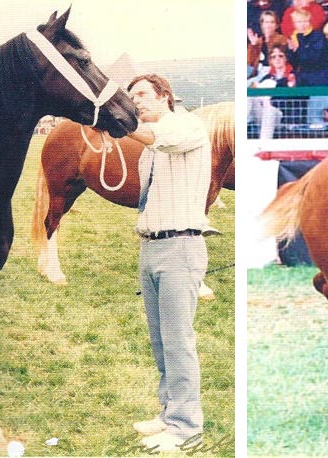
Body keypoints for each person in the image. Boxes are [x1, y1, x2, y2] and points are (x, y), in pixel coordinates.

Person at [124, 74, 212, 453]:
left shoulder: (187, 125)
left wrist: (123, 123)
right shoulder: (151, 144)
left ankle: (186, 427)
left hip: (180, 246)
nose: (137, 102)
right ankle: (169, 413)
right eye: (132, 97)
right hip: (152, 247)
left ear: (165, 96)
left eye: (142, 95)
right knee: (161, 342)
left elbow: (161, 139)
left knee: (178, 342)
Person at [248, 45, 295, 139]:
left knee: (270, 110)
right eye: (274, 57)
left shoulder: (292, 76)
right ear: (271, 61)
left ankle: (264, 145)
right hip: (262, 113)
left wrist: (270, 101)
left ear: (286, 58)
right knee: (249, 97)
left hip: (281, 117)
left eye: (280, 56)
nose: (277, 59)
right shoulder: (267, 77)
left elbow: (292, 100)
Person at [288, 8, 328, 86]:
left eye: (305, 21)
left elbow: (313, 58)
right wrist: (292, 52)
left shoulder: (318, 36)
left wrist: (299, 44)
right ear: (294, 24)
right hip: (303, 75)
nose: (302, 25)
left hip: (320, 74)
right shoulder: (293, 38)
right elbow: (293, 63)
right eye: (299, 22)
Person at [248, 10, 290, 77]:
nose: (269, 25)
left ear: (276, 25)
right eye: (266, 22)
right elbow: (250, 64)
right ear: (262, 24)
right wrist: (254, 46)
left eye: (272, 22)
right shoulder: (257, 41)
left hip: (273, 74)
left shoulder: (282, 40)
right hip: (256, 74)